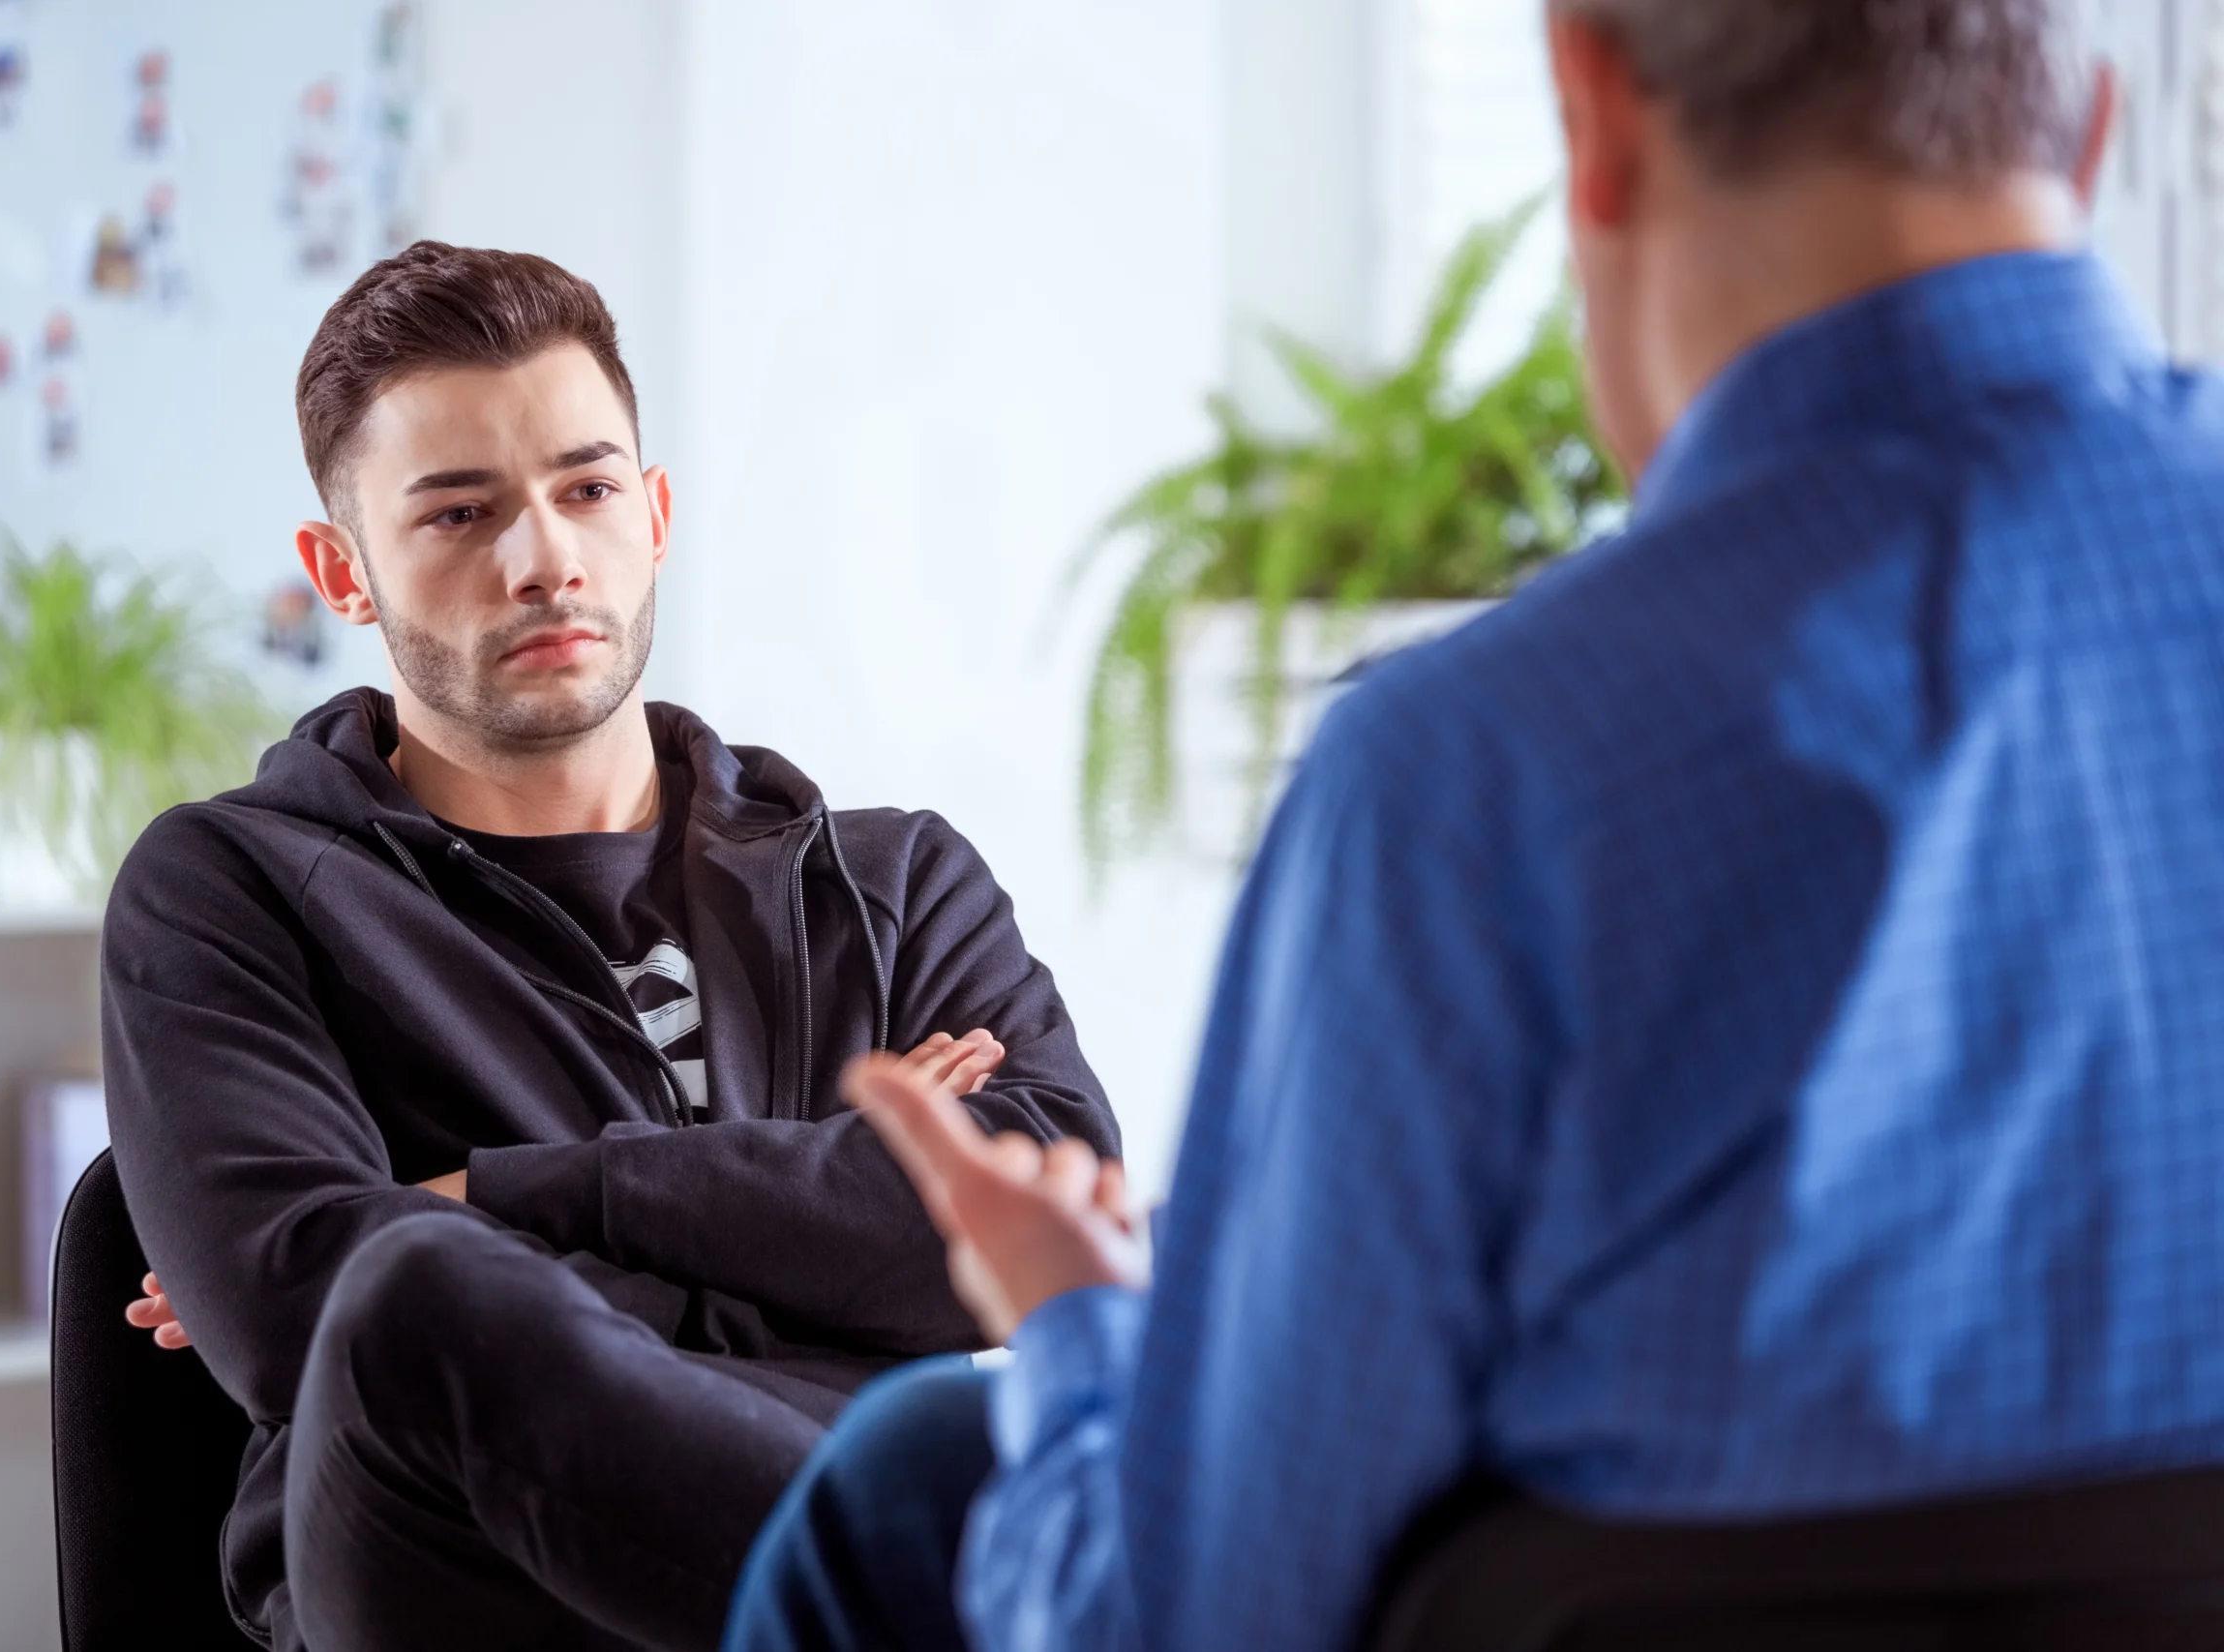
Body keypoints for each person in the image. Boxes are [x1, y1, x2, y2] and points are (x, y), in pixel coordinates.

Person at [719, 3, 2224, 1649]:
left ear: (1595, 114)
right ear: (2092, 128)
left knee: (918, 1473)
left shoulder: (1472, 780)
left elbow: (1189, 1621)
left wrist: (1072, 1323)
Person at [99, 242, 1120, 1652]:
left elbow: (1057, 1203)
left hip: (872, 1507)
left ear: (652, 512)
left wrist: (512, 1192)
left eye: (584, 490)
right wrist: (823, 1207)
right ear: (343, 571)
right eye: (459, 515)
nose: (543, 561)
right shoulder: (231, 885)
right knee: (412, 1299)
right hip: (482, 1590)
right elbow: (289, 1308)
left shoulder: (892, 879)